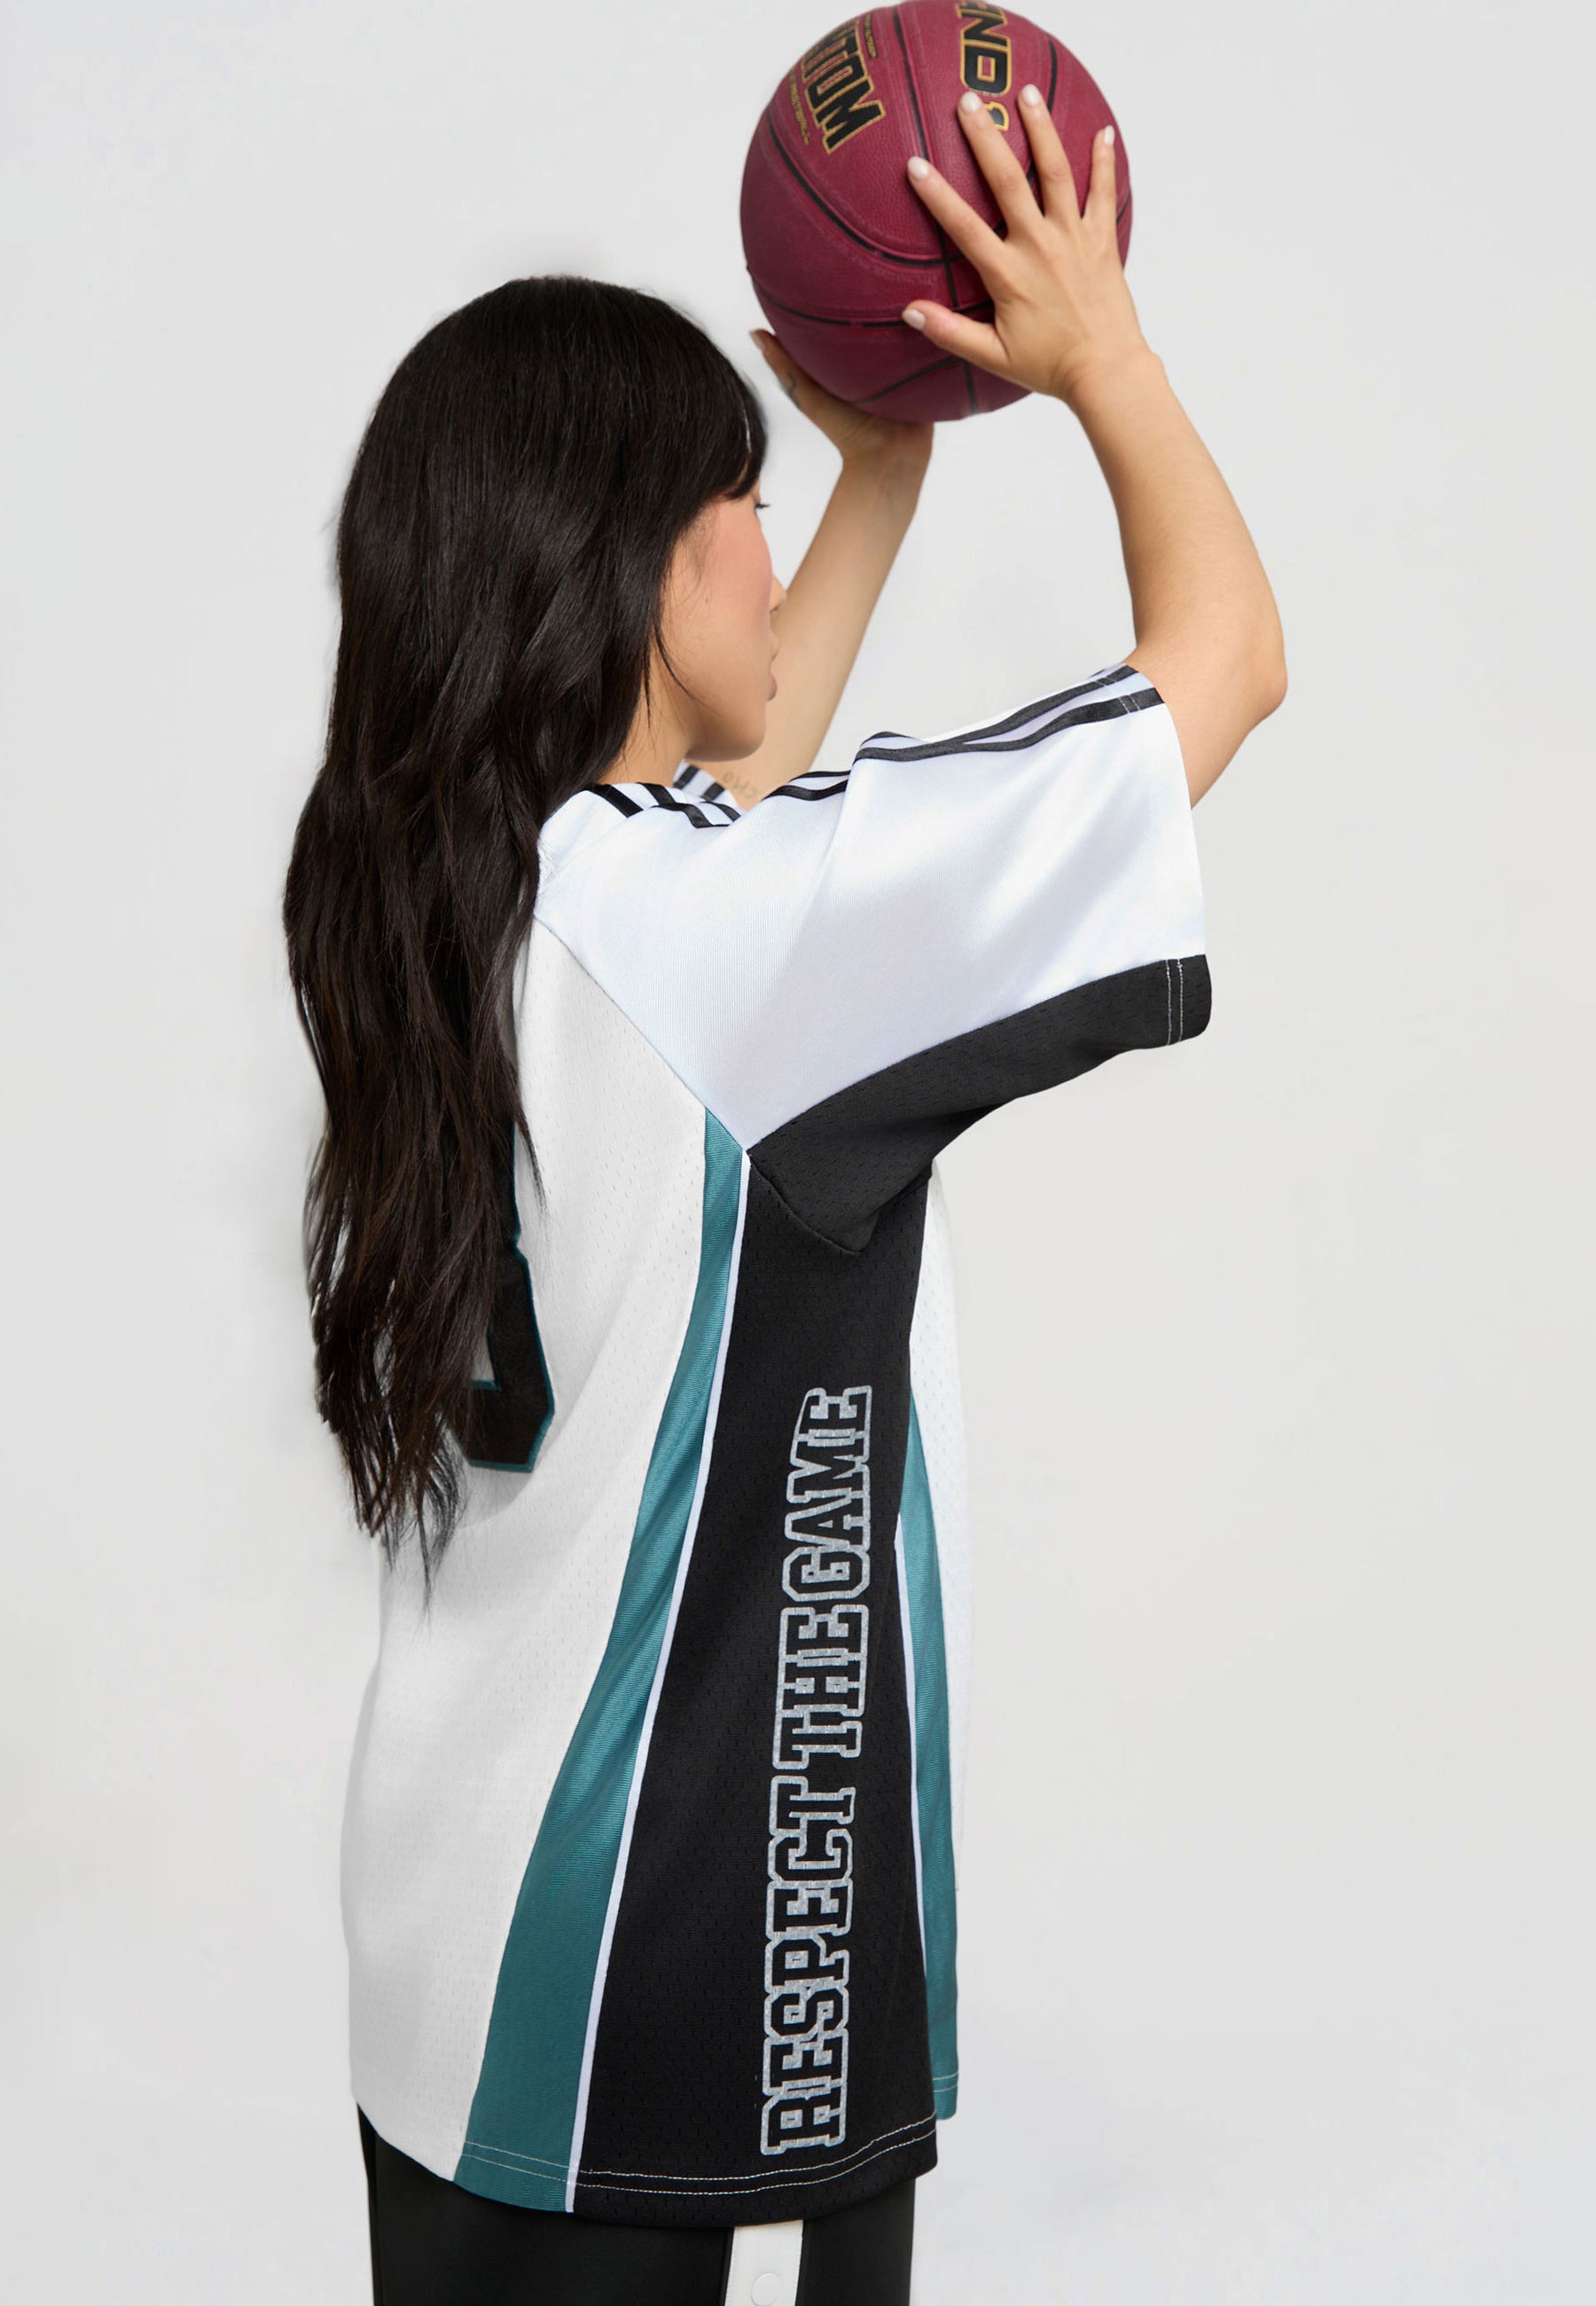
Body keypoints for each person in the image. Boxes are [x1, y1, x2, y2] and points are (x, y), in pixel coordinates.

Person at [283, 87, 1285, 2306]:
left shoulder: (447, 889)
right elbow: (1228, 656)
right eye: (738, 501)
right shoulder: (733, 944)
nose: (766, 540)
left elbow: (726, 802)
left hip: (452, 1915)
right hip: (653, 1956)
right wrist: (1100, 351)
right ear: (633, 571)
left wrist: (875, 474)